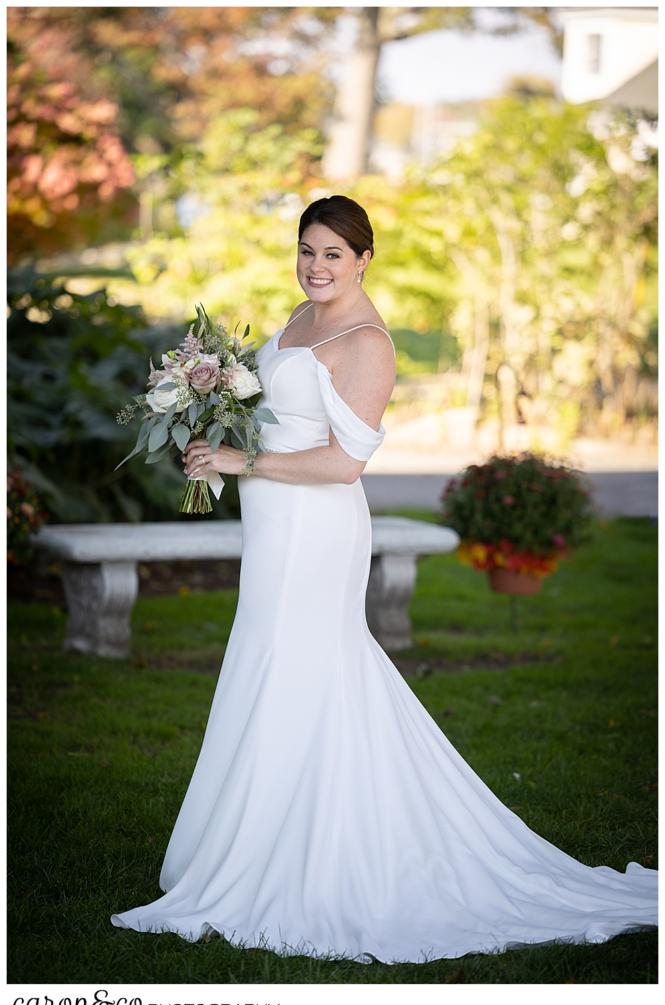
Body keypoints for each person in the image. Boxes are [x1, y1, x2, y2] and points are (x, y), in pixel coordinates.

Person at [111, 195, 657, 964]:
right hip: (273, 525)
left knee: (301, 665)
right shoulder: (298, 323)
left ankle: (303, 853)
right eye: (306, 250)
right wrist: (213, 438)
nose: (315, 266)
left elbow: (343, 464)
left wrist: (243, 461)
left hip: (316, 528)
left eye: (333, 253)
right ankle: (252, 837)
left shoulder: (366, 342)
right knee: (271, 663)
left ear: (364, 258)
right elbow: (271, 420)